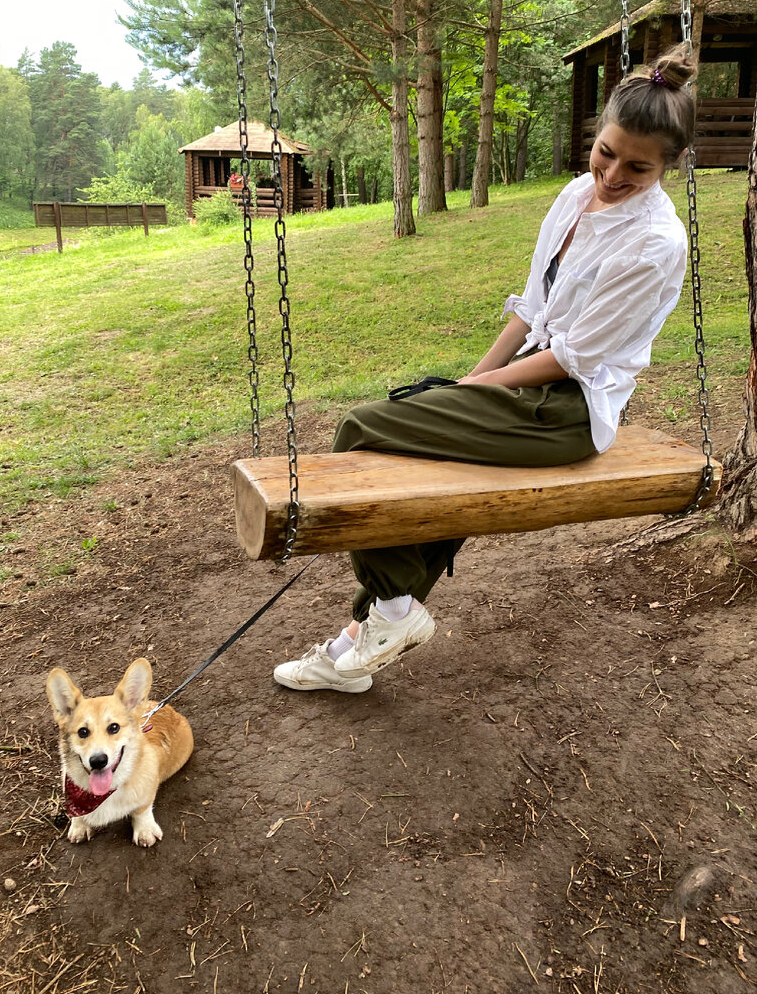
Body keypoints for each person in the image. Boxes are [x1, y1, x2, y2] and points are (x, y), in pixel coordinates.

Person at [273, 44, 696, 695]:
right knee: (424, 461)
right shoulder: (577, 195)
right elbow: (531, 310)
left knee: (363, 428)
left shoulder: (656, 242)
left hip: (569, 411)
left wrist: (473, 390)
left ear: (671, 164)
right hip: (531, 382)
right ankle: (368, 636)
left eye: (637, 168)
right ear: (597, 134)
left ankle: (386, 617)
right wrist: (468, 380)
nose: (612, 175)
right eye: (606, 152)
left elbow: (573, 357)